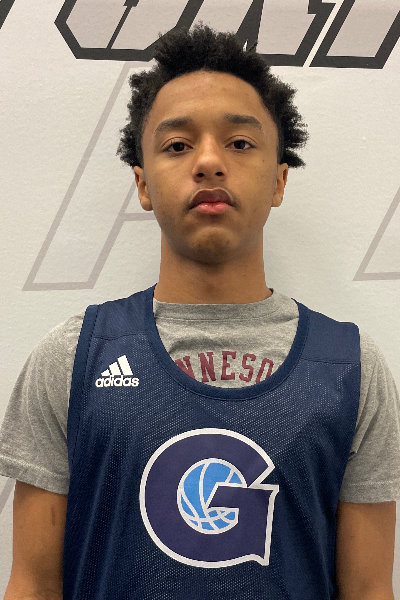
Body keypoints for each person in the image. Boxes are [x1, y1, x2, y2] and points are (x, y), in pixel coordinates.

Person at [1, 23, 399, 600]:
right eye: (177, 145)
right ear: (142, 184)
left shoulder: (351, 369)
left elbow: (369, 590)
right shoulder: (72, 360)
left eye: (240, 143)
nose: (210, 161)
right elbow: (33, 585)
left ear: (279, 180)